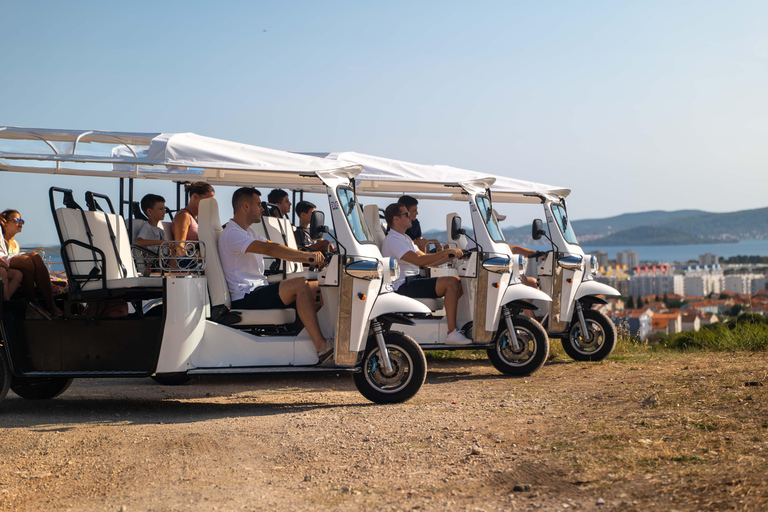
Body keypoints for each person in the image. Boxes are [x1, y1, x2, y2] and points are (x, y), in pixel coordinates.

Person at [218, 187, 332, 360]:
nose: (263, 209)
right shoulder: (232, 233)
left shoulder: (247, 232)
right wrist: (308, 257)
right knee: (300, 283)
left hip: (258, 290)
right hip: (246, 296)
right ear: (246, 206)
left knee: (320, 286)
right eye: (258, 205)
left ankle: (313, 338)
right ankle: (321, 346)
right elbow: (270, 249)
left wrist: (309, 257)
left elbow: (273, 245)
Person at [381, 202, 472, 345]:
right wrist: (445, 252)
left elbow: (427, 263)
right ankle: (452, 333)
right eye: (406, 214)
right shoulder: (393, 240)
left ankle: (454, 325)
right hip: (403, 286)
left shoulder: (405, 238)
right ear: (396, 219)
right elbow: (418, 260)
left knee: (459, 281)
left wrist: (450, 256)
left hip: (413, 281)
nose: (411, 217)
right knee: (451, 282)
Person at [0, 210, 62, 317]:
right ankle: (33, 302)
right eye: (16, 220)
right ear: (4, 223)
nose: (20, 223)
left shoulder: (15, 243)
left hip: (6, 257)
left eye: (21, 220)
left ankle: (50, 304)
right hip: (3, 257)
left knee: (35, 256)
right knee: (26, 261)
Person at [173, 182, 214, 267]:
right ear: (195, 197)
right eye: (207, 201)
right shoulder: (184, 216)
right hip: (190, 263)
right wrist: (193, 263)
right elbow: (179, 247)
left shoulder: (200, 217)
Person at [135, 194, 168, 271]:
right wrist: (160, 242)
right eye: (161, 209)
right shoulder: (147, 227)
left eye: (164, 209)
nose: (164, 212)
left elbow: (166, 248)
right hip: (155, 264)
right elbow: (138, 242)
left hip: (163, 260)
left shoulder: (161, 231)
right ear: (150, 211)